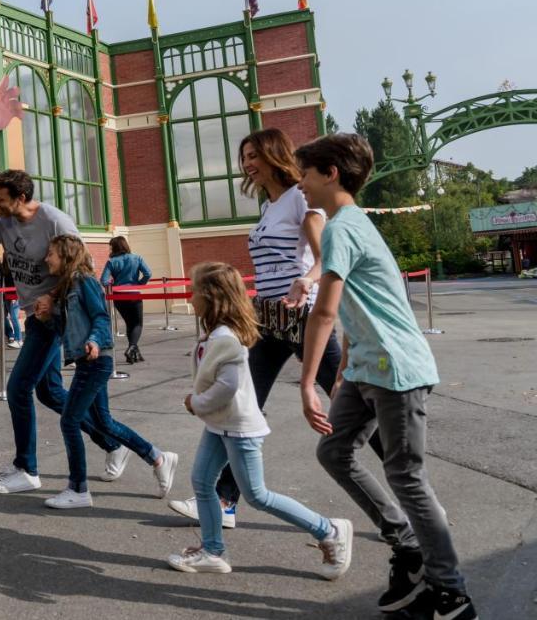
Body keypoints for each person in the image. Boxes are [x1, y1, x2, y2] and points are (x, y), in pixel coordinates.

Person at [296, 134, 475, 618]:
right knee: (334, 451)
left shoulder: (342, 227)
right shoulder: (351, 225)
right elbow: (366, 303)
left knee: (406, 476)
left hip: (395, 369)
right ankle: (409, 546)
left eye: (306, 175)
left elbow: (325, 312)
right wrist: (344, 370)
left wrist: (309, 379)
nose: (301, 186)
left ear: (331, 172)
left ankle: (451, 593)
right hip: (365, 367)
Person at [0, 169, 171, 494]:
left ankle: (27, 468)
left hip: (55, 319)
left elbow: (83, 265)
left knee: (18, 388)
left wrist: (52, 296)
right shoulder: (2, 224)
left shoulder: (54, 220)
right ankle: (112, 444)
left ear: (20, 197)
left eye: (0, 199)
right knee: (49, 392)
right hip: (36, 316)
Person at [169, 128, 380, 529]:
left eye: (254, 155)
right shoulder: (270, 206)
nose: (247, 163)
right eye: (244, 156)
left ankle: (402, 481)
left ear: (272, 156)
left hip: (303, 317)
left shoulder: (300, 199)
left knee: (346, 397)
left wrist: (308, 281)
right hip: (267, 319)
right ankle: (224, 501)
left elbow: (325, 257)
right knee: (242, 403)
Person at [168, 261, 353, 579]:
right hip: (222, 424)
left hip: (238, 428)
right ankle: (213, 551)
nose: (190, 295)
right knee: (201, 481)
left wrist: (195, 403)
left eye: (196, 290)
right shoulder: (215, 334)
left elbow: (228, 386)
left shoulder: (225, 339)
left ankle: (328, 530)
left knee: (257, 495)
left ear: (212, 297)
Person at [44, 235, 176, 510]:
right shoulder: (68, 285)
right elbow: (69, 329)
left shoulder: (85, 281)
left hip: (96, 359)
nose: (47, 259)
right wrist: (49, 315)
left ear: (66, 255)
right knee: (103, 422)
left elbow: (101, 316)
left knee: (70, 421)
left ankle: (78, 488)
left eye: (51, 254)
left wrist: (93, 339)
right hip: (87, 360)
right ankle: (158, 458)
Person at [99, 236, 151, 364]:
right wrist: (139, 283)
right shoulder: (137, 258)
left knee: (130, 323)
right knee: (137, 324)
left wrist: (112, 284)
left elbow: (103, 280)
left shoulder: (112, 262)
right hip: (134, 295)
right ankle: (131, 347)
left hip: (118, 297)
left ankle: (133, 354)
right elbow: (148, 273)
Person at [1, 254, 22, 348]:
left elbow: (18, 282)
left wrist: (15, 296)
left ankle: (19, 339)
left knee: (14, 317)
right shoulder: (4, 266)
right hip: (6, 295)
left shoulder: (15, 267)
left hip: (14, 295)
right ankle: (15, 338)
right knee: (10, 317)